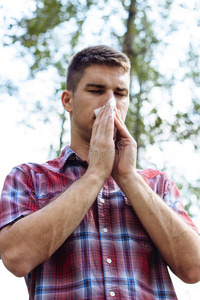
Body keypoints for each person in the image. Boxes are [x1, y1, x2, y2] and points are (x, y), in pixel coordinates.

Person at [0, 45, 200, 300]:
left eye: (120, 93)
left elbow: (194, 268)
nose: (110, 102)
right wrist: (95, 174)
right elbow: (16, 258)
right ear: (68, 101)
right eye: (96, 90)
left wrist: (127, 176)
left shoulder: (157, 184)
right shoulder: (29, 177)